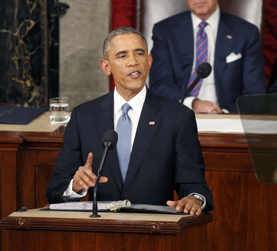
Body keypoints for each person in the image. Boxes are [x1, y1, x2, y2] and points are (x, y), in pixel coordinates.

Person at [46, 27, 213, 215]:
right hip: (99, 232)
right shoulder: (83, 117)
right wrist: (76, 186)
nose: (133, 62)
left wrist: (194, 199)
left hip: (154, 231)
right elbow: (55, 191)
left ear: (149, 62)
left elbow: (195, 185)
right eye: (122, 56)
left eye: (139, 54)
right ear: (106, 66)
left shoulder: (178, 117)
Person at [149, 0, 266, 113]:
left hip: (227, 118)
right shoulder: (165, 31)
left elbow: (255, 92)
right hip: (178, 115)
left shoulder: (246, 33)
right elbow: (160, 85)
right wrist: (194, 104)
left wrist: (224, 116)